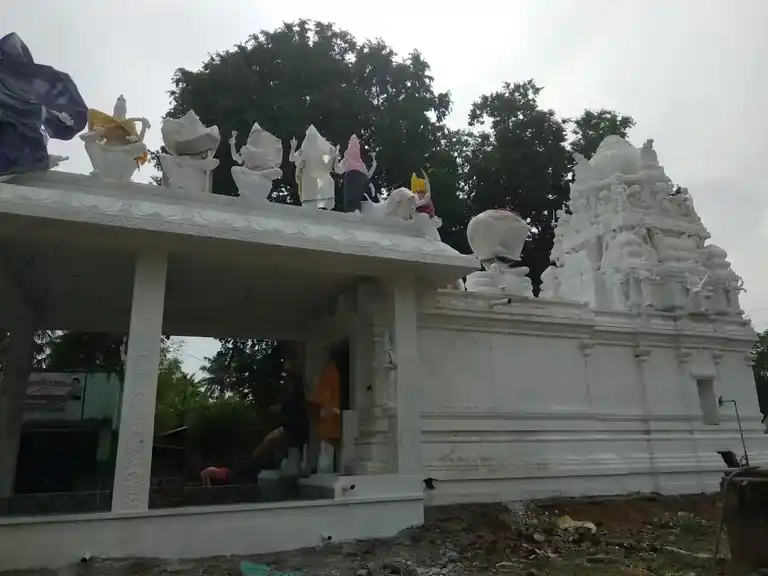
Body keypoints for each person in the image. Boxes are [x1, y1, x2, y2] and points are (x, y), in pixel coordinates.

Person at [251, 352, 310, 471]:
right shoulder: (291, 386)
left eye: (288, 366)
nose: (285, 370)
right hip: (291, 428)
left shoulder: (300, 384)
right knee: (270, 449)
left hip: (294, 429)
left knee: (266, 447)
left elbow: (299, 405)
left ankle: (257, 464)